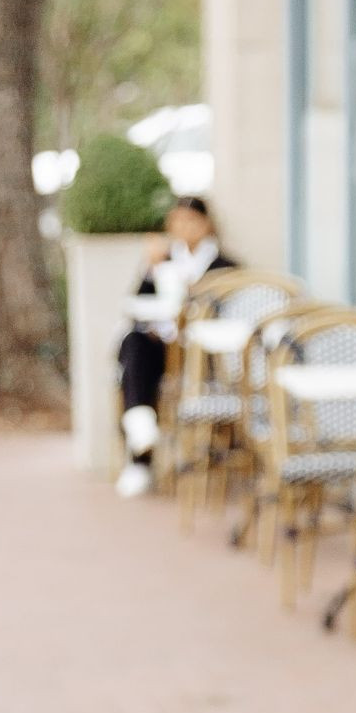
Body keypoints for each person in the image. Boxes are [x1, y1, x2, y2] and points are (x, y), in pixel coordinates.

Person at [115, 198, 233, 496]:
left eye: (191, 221)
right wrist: (151, 269)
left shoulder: (225, 267)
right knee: (135, 342)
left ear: (206, 224)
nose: (184, 228)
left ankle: (142, 434)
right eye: (178, 222)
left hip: (203, 355)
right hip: (163, 347)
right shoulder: (163, 262)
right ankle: (140, 441)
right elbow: (138, 305)